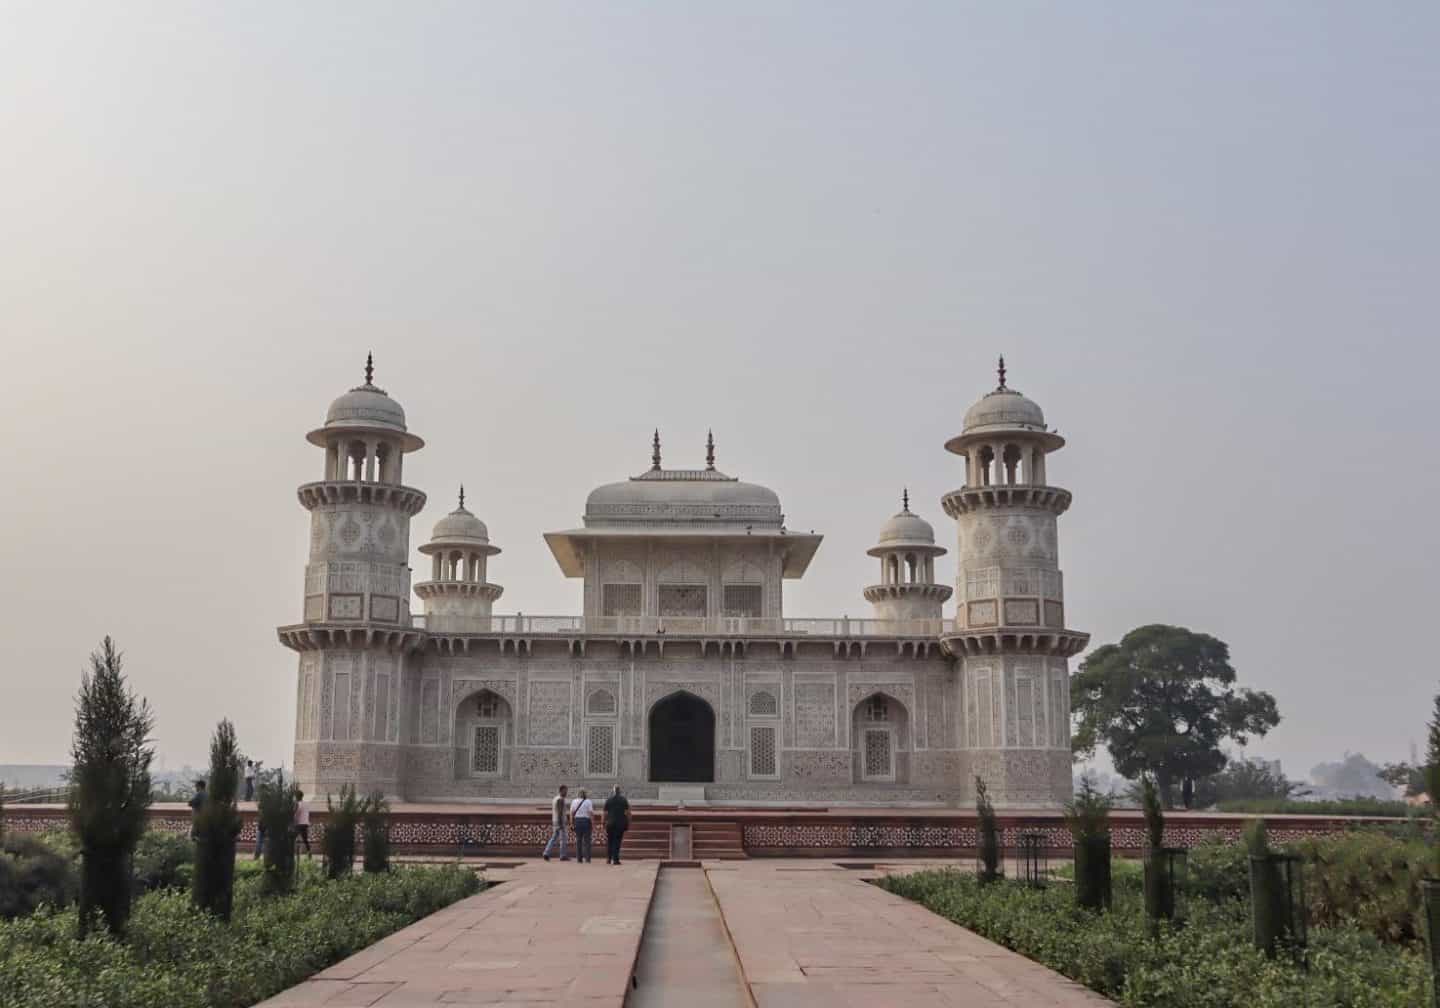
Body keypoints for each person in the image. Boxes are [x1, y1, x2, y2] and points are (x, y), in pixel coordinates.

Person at [542, 785, 570, 861]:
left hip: (555, 820)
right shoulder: (560, 799)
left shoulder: (555, 799)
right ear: (561, 790)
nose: (566, 792)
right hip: (560, 821)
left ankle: (546, 853)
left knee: (554, 838)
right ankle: (562, 855)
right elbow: (560, 812)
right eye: (565, 791)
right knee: (563, 839)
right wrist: (561, 824)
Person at [603, 785, 629, 865]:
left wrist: (603, 822)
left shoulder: (609, 800)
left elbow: (605, 813)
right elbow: (628, 812)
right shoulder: (623, 800)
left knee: (610, 841)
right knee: (617, 842)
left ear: (613, 791)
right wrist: (628, 822)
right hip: (620, 824)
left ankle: (608, 859)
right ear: (619, 791)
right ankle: (615, 859)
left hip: (610, 823)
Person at [571, 789, 594, 863]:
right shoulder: (588, 801)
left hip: (577, 821)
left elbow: (571, 813)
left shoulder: (574, 801)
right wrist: (592, 823)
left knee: (578, 841)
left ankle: (579, 859)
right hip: (586, 821)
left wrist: (571, 823)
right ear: (585, 794)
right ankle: (587, 858)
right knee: (587, 841)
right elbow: (590, 813)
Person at [293, 789, 311, 856]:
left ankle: (291, 851)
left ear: (297, 797)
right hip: (305, 823)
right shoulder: (306, 804)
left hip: (298, 824)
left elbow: (295, 814)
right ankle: (309, 852)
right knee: (305, 839)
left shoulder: (297, 804)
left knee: (292, 838)